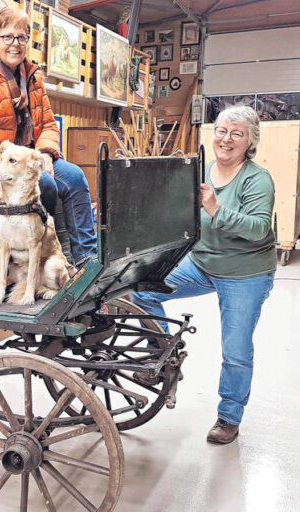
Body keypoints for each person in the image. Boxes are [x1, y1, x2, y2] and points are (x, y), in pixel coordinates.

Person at [132, 105, 276, 445]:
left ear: (249, 141)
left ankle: (229, 416)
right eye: (222, 131)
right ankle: (164, 355)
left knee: (236, 349)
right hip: (203, 263)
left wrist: (214, 207)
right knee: (144, 290)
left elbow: (258, 229)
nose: (226, 139)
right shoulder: (203, 171)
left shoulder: (257, 179)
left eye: (236, 134)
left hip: (245, 272)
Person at [0, 8, 97, 268]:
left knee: (73, 177)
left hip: (27, 157)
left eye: (22, 37)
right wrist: (5, 171)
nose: (15, 44)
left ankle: (86, 260)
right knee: (46, 185)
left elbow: (48, 124)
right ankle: (37, 261)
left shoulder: (32, 76)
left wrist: (47, 153)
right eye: (7, 37)